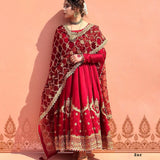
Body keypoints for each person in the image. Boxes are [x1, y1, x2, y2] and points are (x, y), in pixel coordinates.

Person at [38, 0, 113, 160]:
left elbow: (102, 55)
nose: (63, 9)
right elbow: (55, 60)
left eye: (67, 6)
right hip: (67, 83)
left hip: (87, 81)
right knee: (71, 112)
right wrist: (52, 84)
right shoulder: (60, 32)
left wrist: (83, 57)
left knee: (84, 111)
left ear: (77, 8)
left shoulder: (93, 31)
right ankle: (75, 149)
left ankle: (85, 149)